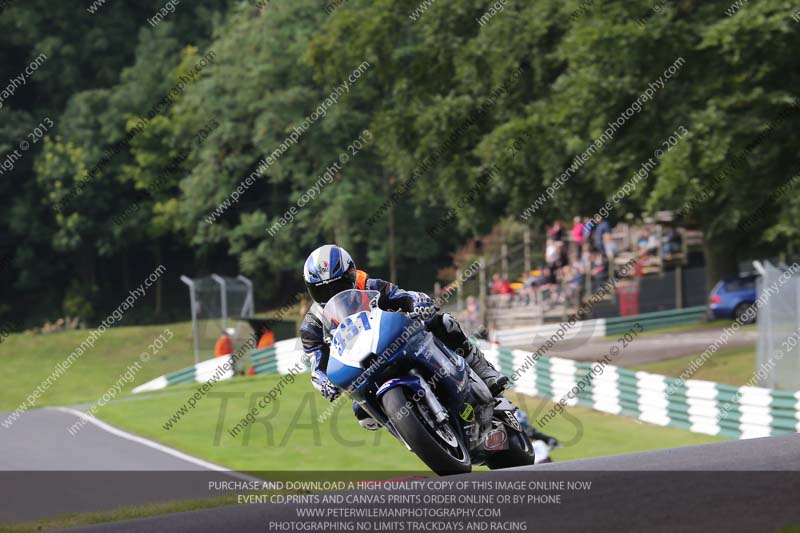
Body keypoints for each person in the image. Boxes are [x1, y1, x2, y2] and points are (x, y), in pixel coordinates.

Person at [300, 244, 509, 430]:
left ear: (352, 273)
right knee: (364, 415)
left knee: (444, 323)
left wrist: (418, 302)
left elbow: (403, 296)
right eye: (322, 290)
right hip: (361, 365)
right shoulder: (312, 324)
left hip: (393, 339)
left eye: (338, 285)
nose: (331, 293)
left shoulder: (371, 286)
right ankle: (412, 432)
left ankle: (483, 369)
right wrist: (323, 382)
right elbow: (316, 363)